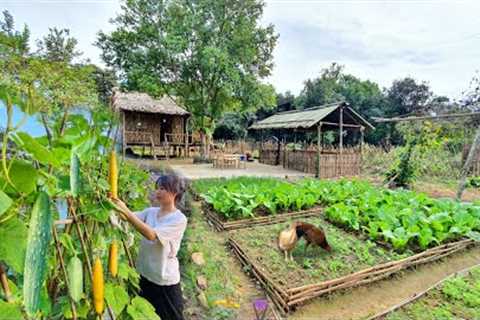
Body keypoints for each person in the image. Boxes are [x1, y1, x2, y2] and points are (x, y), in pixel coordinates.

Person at [110, 174, 188, 320]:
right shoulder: (150, 212)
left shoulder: (179, 219)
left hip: (164, 281)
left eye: (163, 188)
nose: (158, 192)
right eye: (157, 188)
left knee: (171, 317)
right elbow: (127, 217)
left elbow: (151, 235)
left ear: (175, 192)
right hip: (145, 275)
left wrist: (125, 211)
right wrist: (113, 203)